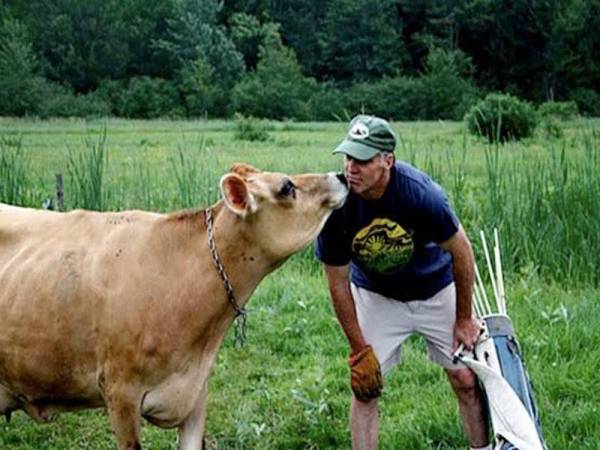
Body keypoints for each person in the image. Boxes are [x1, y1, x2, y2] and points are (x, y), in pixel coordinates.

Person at [315, 115, 490, 450]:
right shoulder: (338, 207)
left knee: (466, 379)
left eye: (363, 161)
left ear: (387, 161)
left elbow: (462, 252)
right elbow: (337, 282)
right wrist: (358, 350)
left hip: (435, 289)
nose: (352, 168)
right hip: (377, 296)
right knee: (364, 386)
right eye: (348, 157)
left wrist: (464, 318)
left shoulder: (421, 195)